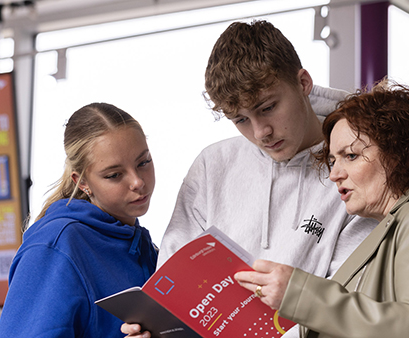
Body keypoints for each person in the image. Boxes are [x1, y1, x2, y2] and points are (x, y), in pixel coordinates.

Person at [121, 20, 377, 337]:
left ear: (304, 82)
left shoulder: (356, 168)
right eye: (240, 119)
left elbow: (353, 302)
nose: (260, 132)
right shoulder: (212, 165)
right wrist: (155, 329)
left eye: (268, 107)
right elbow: (172, 283)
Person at [234, 79, 409, 337]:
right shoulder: (389, 232)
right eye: (332, 160)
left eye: (351, 156)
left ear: (398, 153)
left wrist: (299, 294)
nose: (334, 174)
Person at [0, 103, 158, 338]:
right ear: (82, 182)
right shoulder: (55, 247)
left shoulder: (142, 245)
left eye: (143, 162)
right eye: (114, 175)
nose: (137, 182)